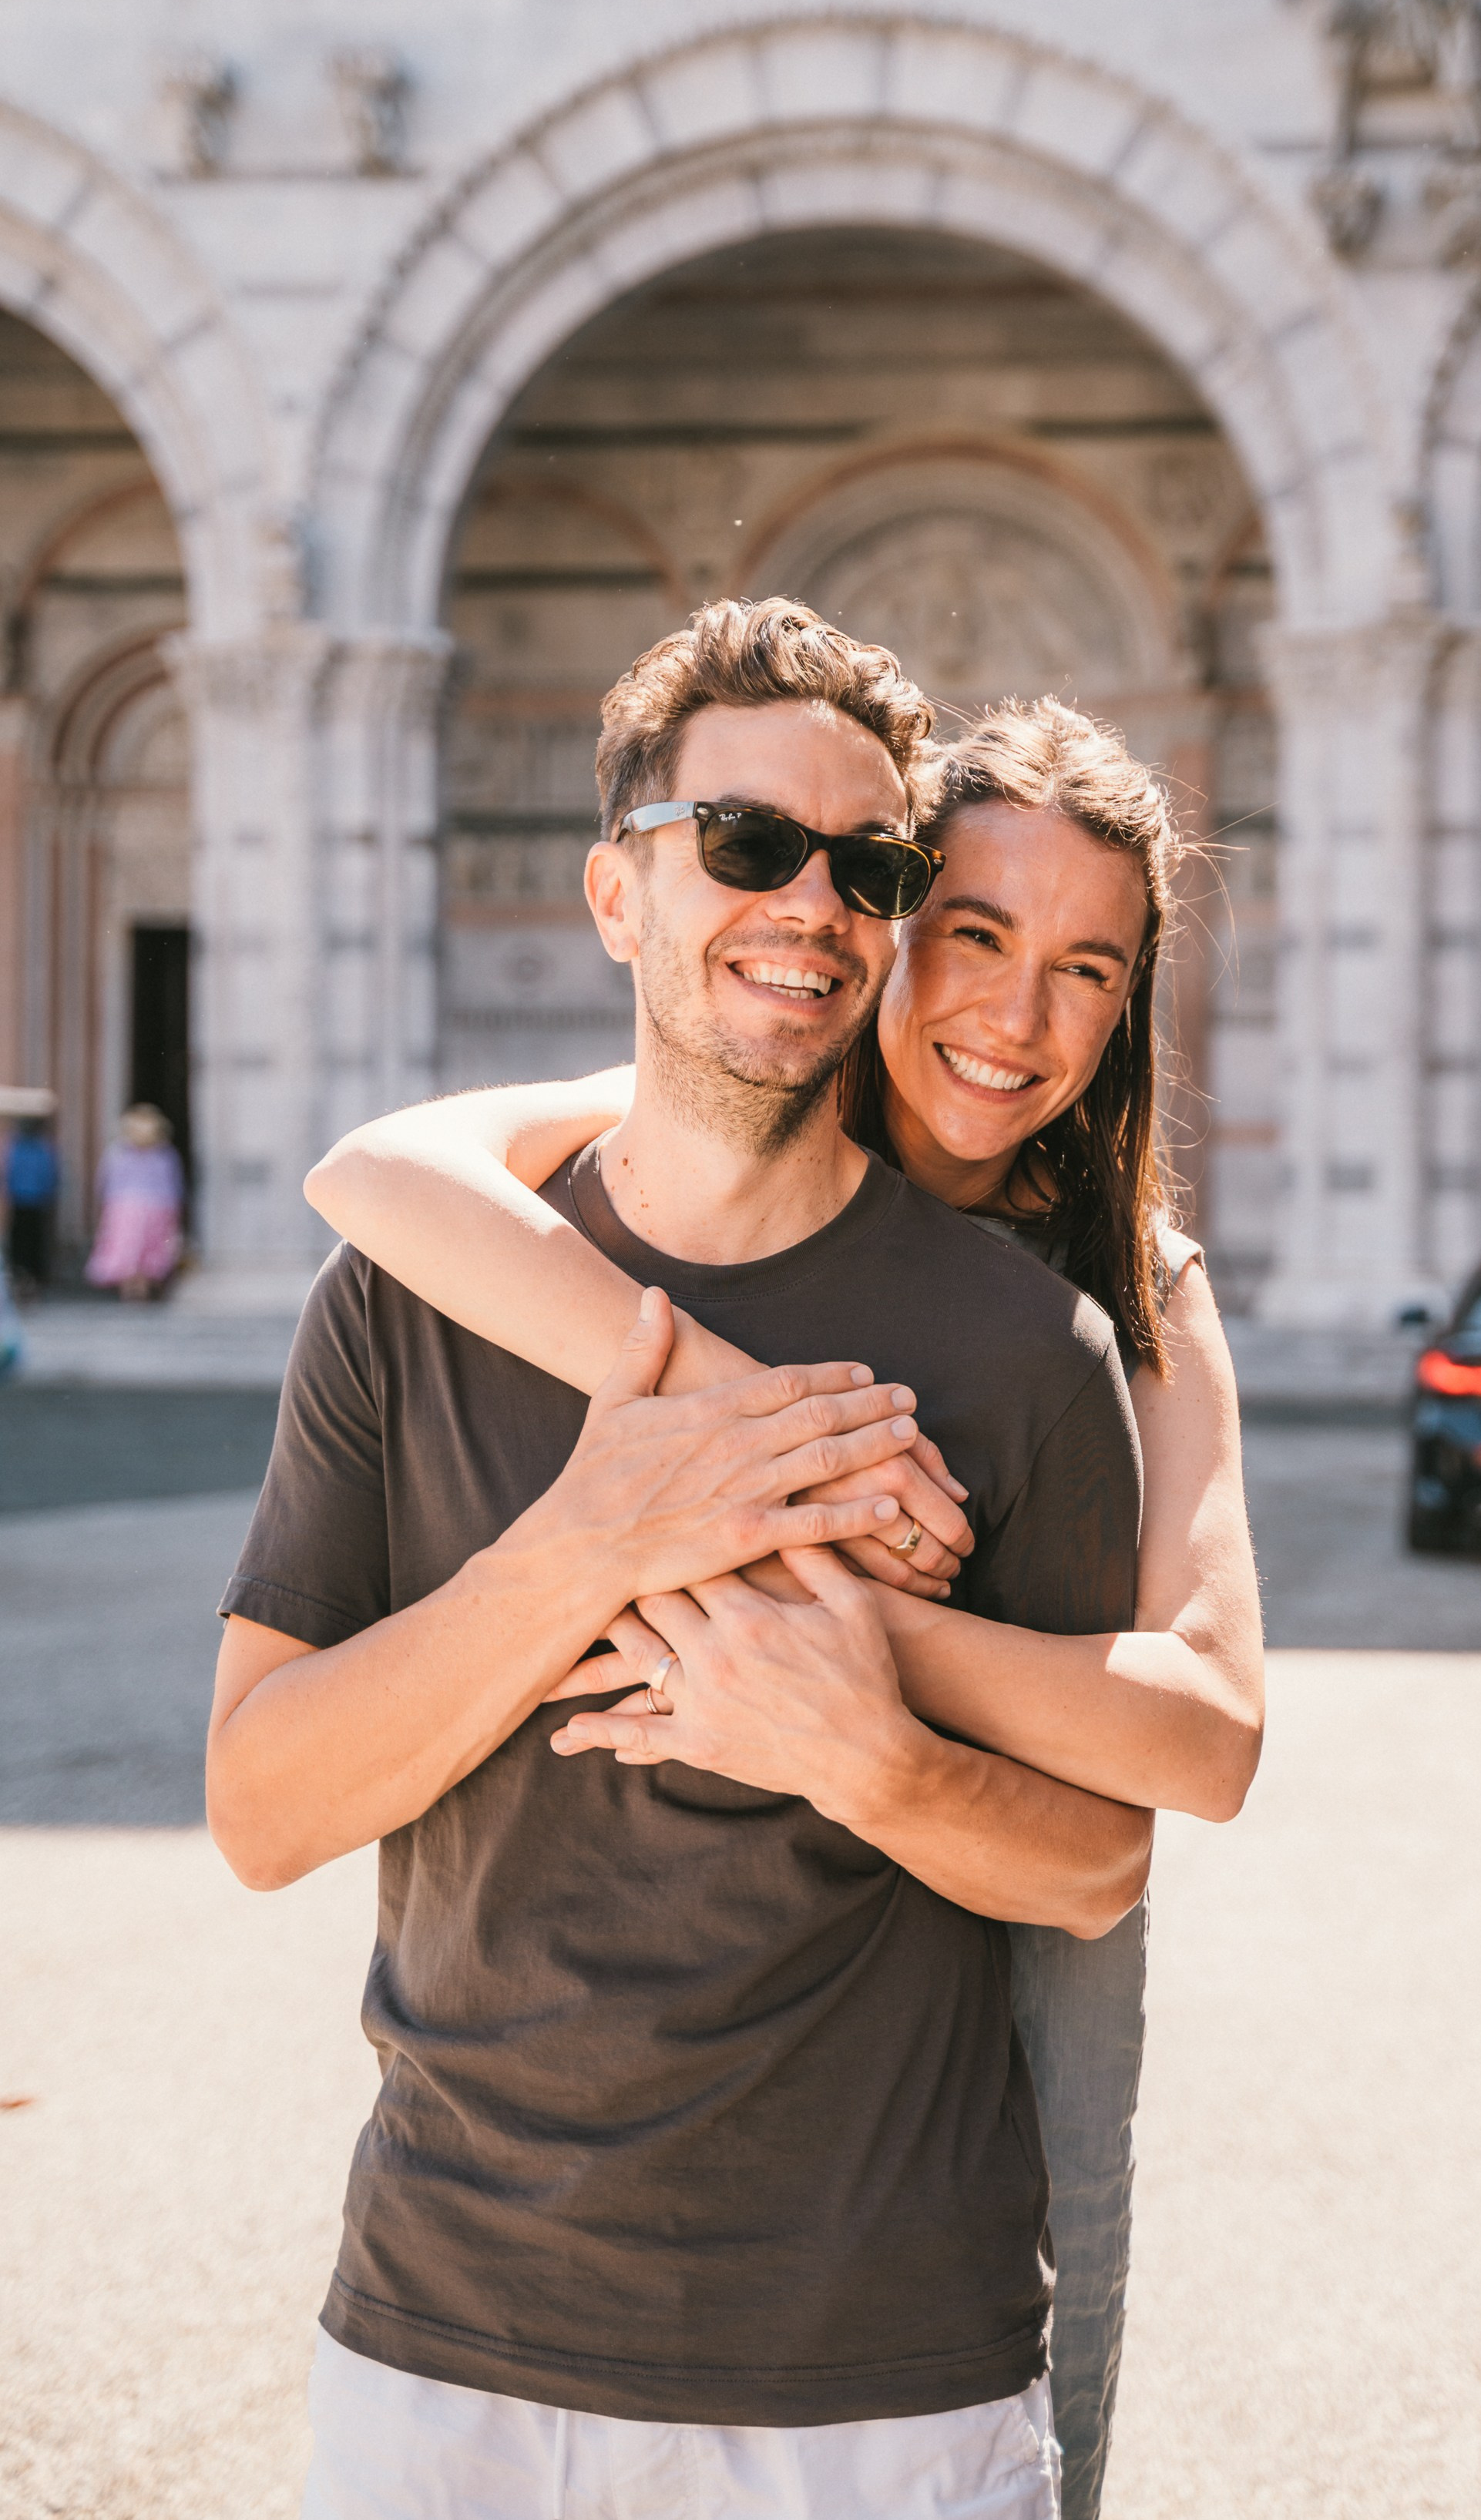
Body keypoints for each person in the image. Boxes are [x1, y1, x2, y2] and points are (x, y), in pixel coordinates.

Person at [210, 599, 1174, 2520]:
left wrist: (874, 1754)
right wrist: (576, 1548)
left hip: (881, 2388)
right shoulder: (404, 1299)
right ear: (615, 892)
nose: (808, 900)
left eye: (870, 864)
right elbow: (258, 1806)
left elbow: (1097, 1861)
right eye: (744, 841)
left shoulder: (1024, 1350)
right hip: (443, 2356)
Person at [84, 1102, 184, 1299]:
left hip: (124, 1206)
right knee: (149, 1250)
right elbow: (174, 1185)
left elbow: (104, 1181)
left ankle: (130, 1289)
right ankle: (143, 1287)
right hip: (157, 1206)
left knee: (128, 1248)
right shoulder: (165, 1154)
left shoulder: (117, 1152)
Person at [4, 1114, 59, 1296]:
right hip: (33, 1201)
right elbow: (49, 1175)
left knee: (22, 1240)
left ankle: (24, 1275)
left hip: (23, 1200)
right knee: (33, 1240)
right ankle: (29, 1276)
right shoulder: (41, 1148)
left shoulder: (17, 1147)